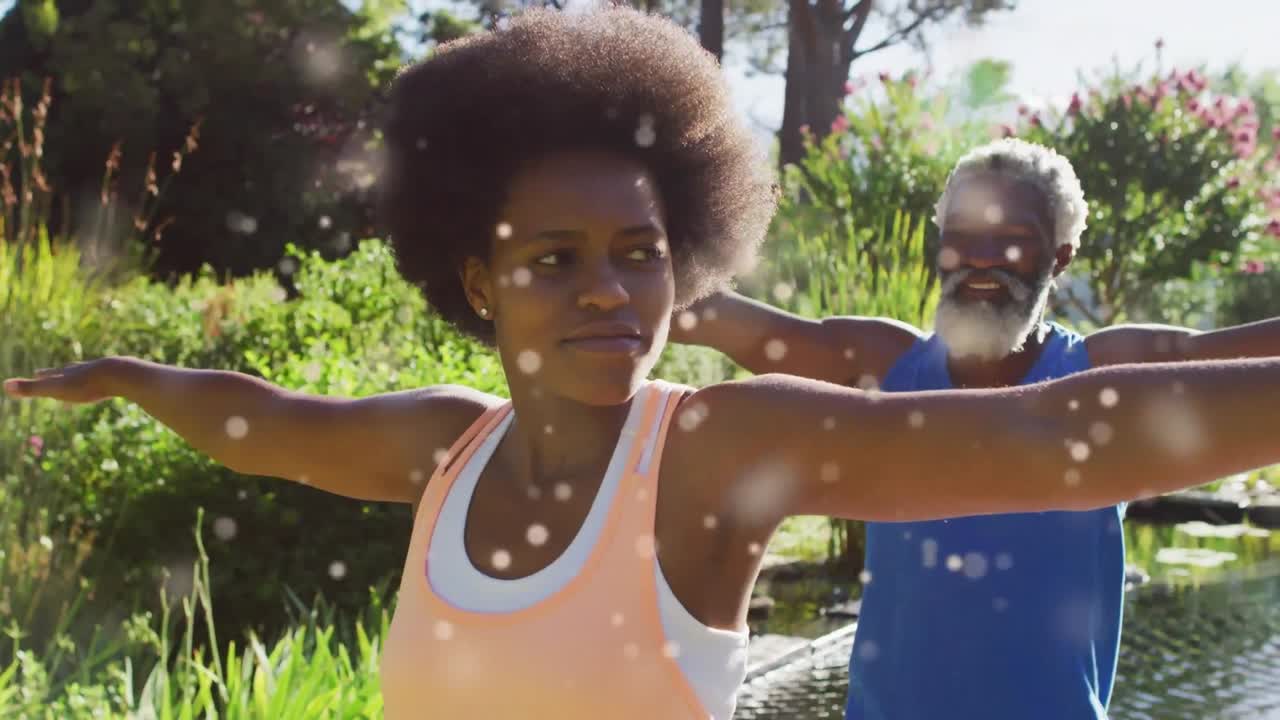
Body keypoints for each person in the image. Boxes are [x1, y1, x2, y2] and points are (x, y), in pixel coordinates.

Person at [5, 11, 1280, 720]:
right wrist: (127, 380)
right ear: (473, 280)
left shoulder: (713, 454)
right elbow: (263, 419)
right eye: (552, 259)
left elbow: (1073, 439)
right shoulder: (439, 449)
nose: (607, 289)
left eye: (638, 253)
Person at [671, 137, 1280, 719]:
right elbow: (706, 315)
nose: (981, 259)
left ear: (1060, 254)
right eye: (963, 237)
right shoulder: (883, 365)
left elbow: (1244, 357)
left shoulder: (1104, 375)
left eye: (1011, 240)